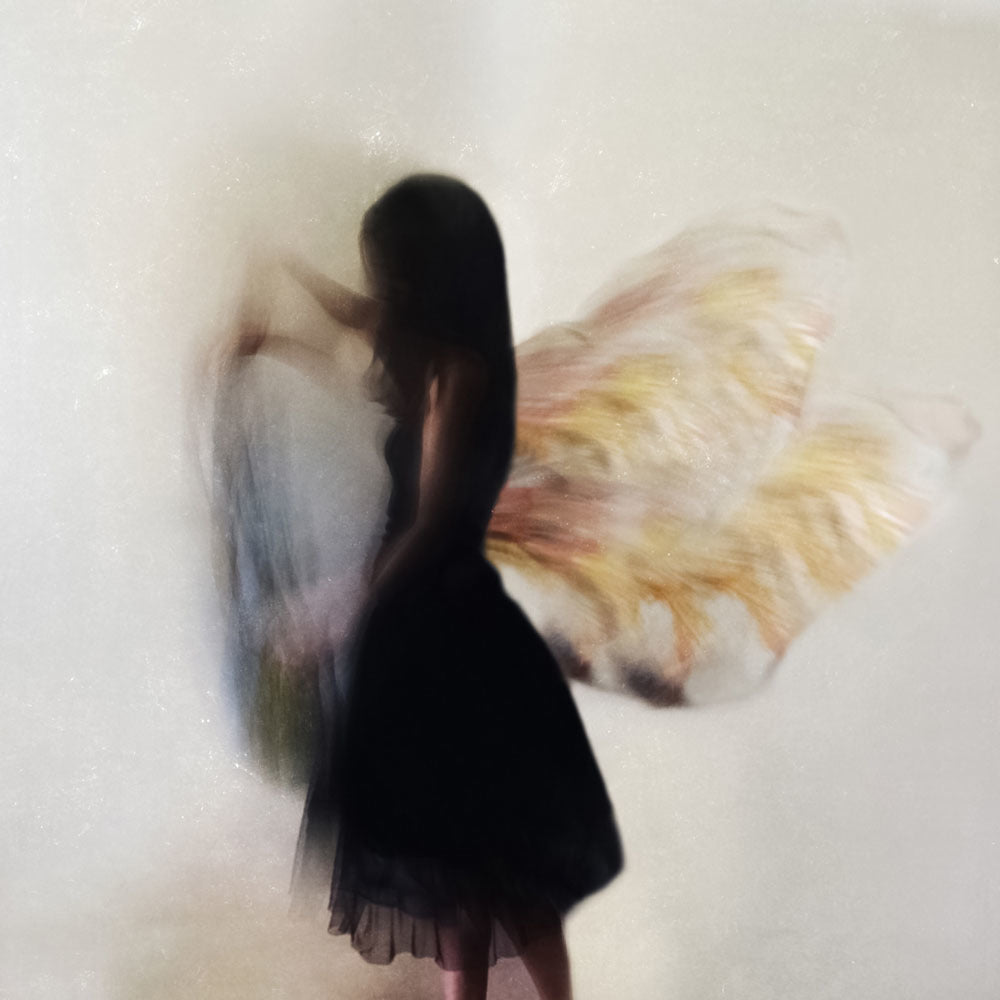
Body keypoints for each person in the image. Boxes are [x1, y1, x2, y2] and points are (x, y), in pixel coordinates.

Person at [234, 174, 622, 1000]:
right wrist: (283, 289)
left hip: (455, 639)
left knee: (504, 873)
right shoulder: (424, 346)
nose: (381, 288)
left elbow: (432, 522)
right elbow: (354, 316)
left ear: (427, 274)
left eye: (391, 271)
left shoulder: (459, 372)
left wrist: (340, 608)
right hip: (413, 639)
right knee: (448, 878)